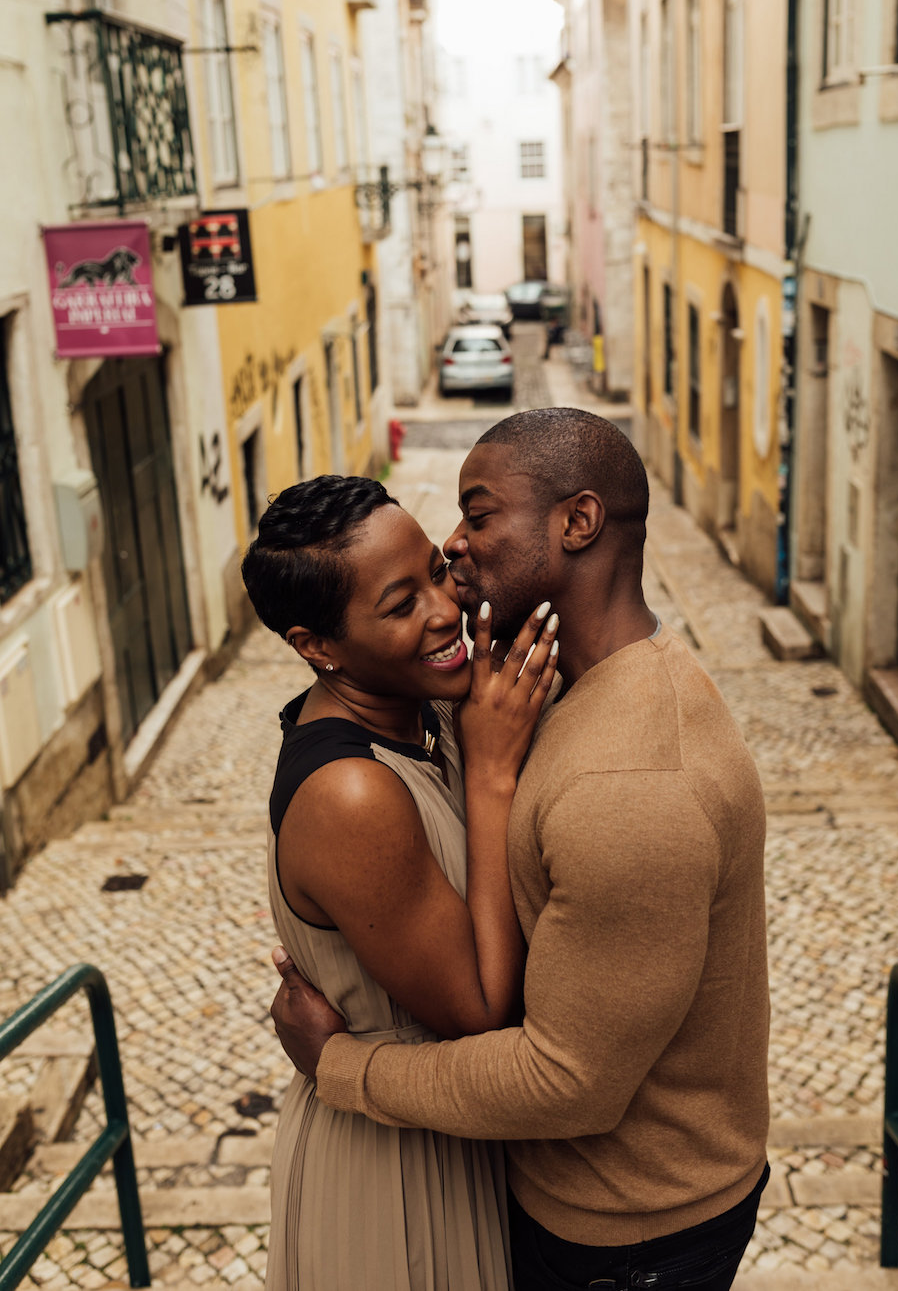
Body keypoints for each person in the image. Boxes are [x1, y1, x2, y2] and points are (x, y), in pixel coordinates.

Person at [271, 408, 771, 1291]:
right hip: (517, 1189)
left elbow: (566, 1080)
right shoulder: (539, 689)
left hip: (624, 1237)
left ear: (577, 523)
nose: (456, 553)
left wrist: (345, 1064)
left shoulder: (631, 781)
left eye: (476, 515)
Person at [241, 474, 561, 1291]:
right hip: (392, 1176)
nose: (445, 609)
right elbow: (481, 1008)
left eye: (433, 570)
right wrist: (490, 774)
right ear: (318, 647)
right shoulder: (351, 795)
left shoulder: (426, 709)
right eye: (399, 604)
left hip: (454, 1132)